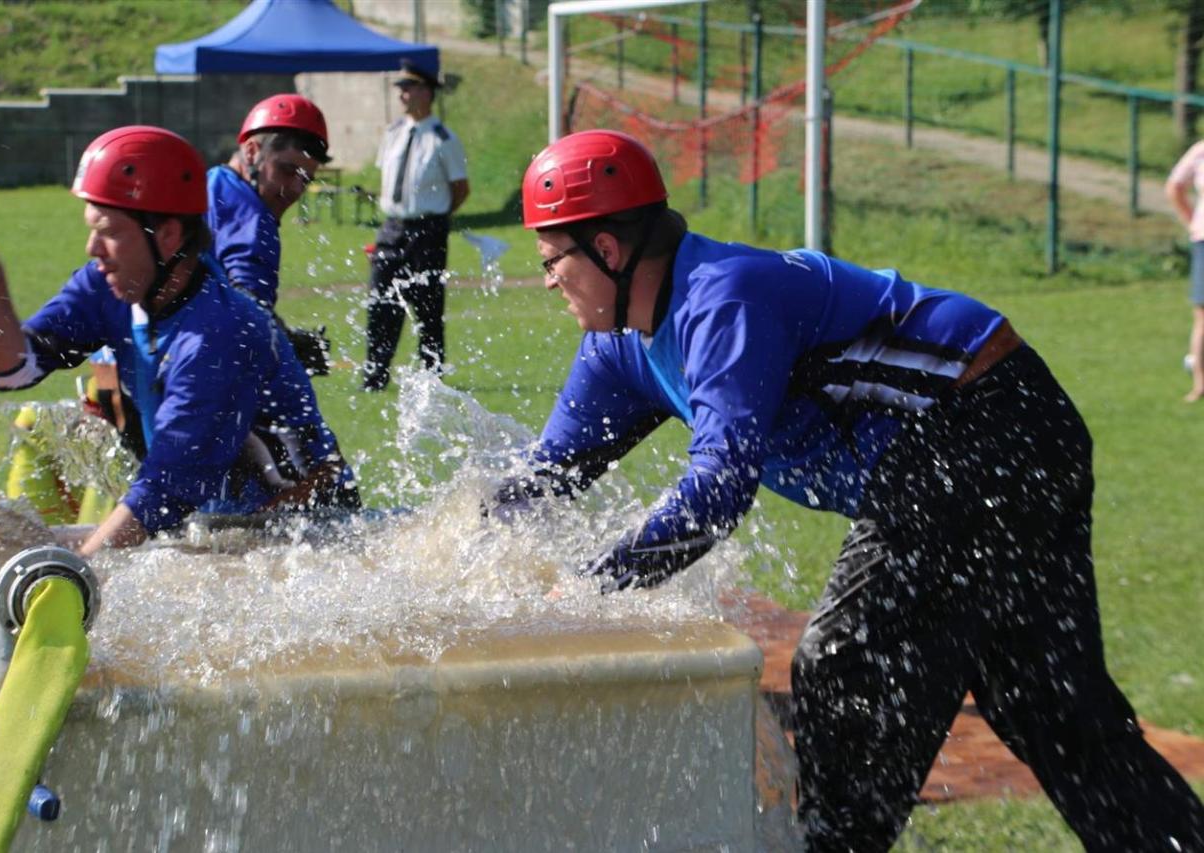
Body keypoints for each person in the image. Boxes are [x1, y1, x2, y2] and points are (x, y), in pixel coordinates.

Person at [490, 129, 1204, 851]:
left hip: (987, 422)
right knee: (1051, 709)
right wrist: (458, 547)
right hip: (1006, 436)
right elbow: (545, 478)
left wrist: (588, 588)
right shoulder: (617, 349)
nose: (548, 280)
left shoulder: (721, 298)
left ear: (607, 250)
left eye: (552, 260)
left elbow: (718, 490)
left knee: (847, 661)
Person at [0, 125, 360, 558]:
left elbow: (160, 497)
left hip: (307, 535)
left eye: (109, 232)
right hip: (214, 520)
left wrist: (73, 572)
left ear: (168, 236)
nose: (93, 248)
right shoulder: (104, 287)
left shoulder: (218, 335)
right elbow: (14, 368)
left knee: (76, 561)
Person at [362, 59, 470, 391]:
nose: (402, 94)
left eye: (409, 87)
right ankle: (375, 376)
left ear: (427, 92)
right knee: (381, 300)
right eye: (401, 88)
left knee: (427, 305)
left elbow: (460, 188)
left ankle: (431, 378)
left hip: (427, 230)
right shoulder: (393, 132)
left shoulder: (443, 139)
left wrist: (436, 218)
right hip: (393, 226)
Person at [209, 93, 333, 375]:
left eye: (306, 178)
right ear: (252, 152)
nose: (296, 189)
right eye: (287, 170)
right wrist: (285, 347)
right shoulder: (254, 218)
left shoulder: (214, 182)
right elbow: (250, 313)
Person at [1165, 141, 1204, 403]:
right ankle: (1200, 384)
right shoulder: (1200, 151)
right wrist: (1192, 222)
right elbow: (1174, 187)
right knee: (1203, 314)